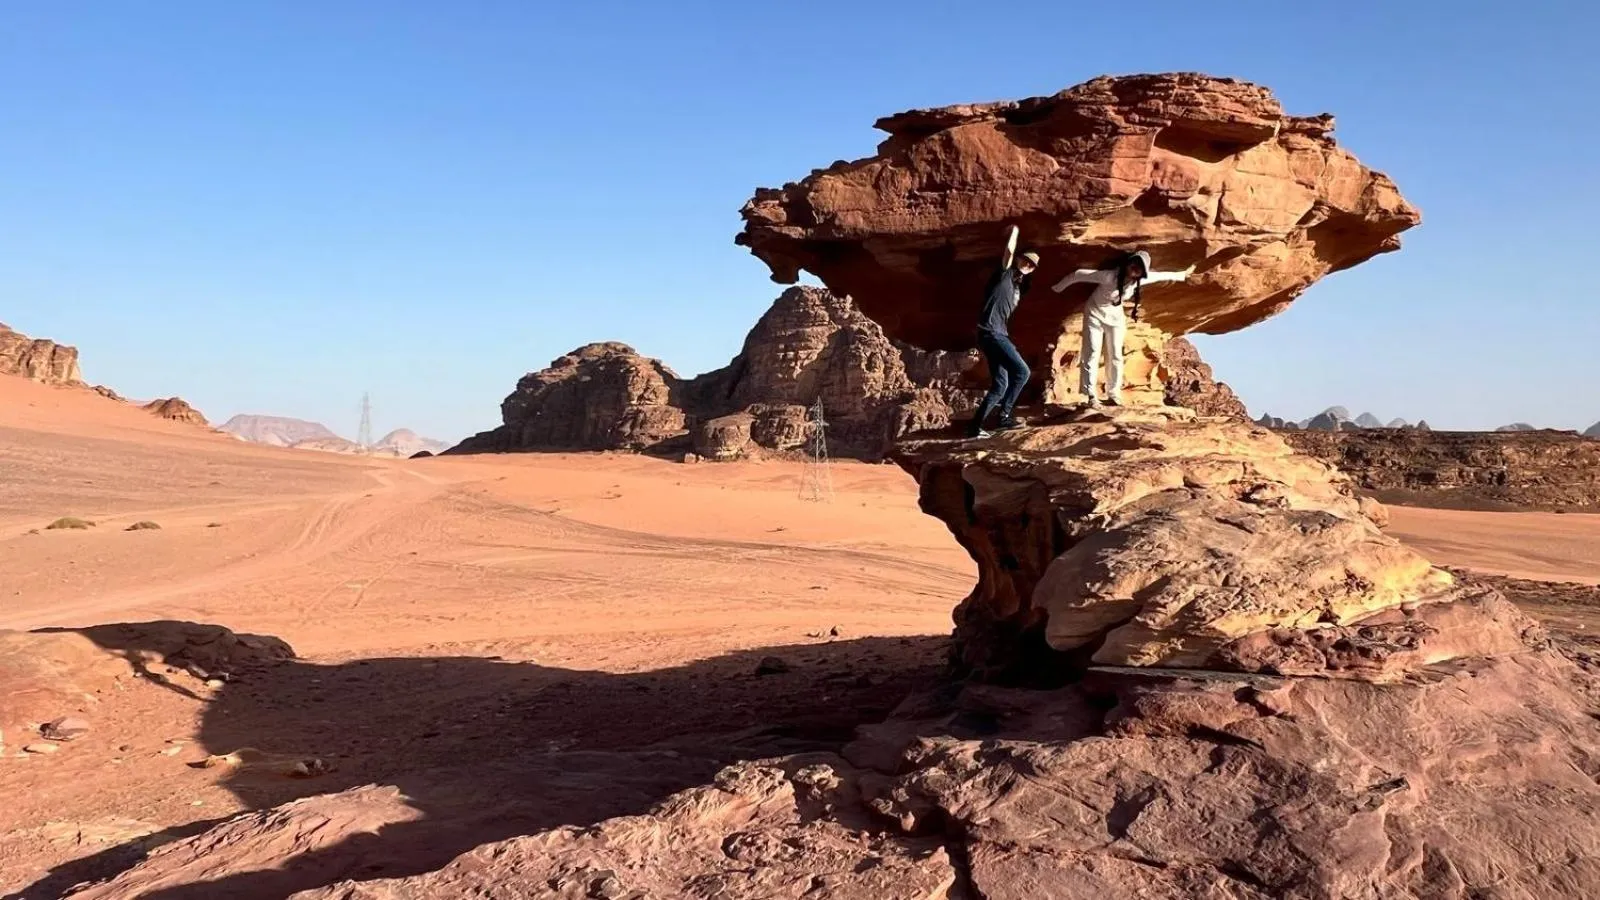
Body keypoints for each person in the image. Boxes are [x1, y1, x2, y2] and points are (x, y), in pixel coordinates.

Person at [1051, 250, 1193, 408]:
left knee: (1116, 356)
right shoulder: (1108, 276)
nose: (1135, 269)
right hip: (1094, 313)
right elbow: (1079, 274)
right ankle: (1091, 396)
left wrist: (1183, 274)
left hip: (1115, 318)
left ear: (1143, 271)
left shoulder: (1138, 281)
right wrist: (1058, 288)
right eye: (1134, 264)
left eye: (1140, 268)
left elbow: (1162, 275)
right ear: (1127, 263)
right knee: (1092, 352)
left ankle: (1114, 394)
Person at [968, 225, 1039, 438]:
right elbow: (1008, 253)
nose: (1027, 265)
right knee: (1023, 372)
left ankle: (974, 428)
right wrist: (1015, 232)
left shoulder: (1017, 286)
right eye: (1025, 260)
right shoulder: (1005, 274)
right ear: (1018, 259)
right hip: (992, 333)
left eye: (1032, 265)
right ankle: (1004, 417)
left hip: (995, 334)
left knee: (1001, 385)